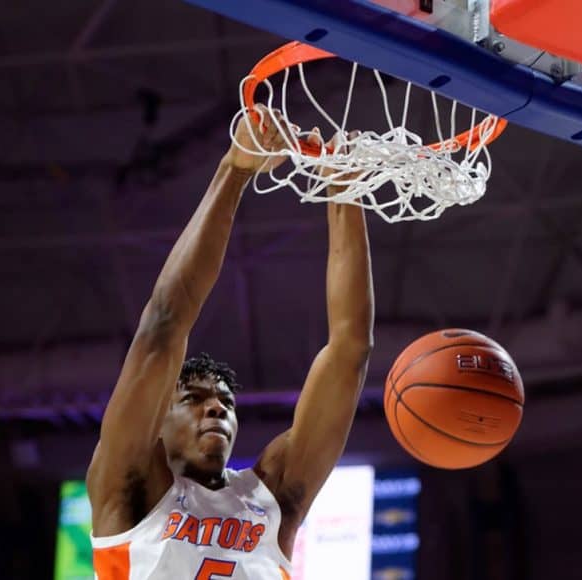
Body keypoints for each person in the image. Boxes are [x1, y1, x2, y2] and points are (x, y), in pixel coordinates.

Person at [85, 106, 374, 580]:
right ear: (158, 422)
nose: (216, 409)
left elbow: (350, 348)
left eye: (224, 402)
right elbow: (163, 326)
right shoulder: (128, 484)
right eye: (194, 400)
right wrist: (234, 171)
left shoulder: (270, 498)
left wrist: (344, 191)